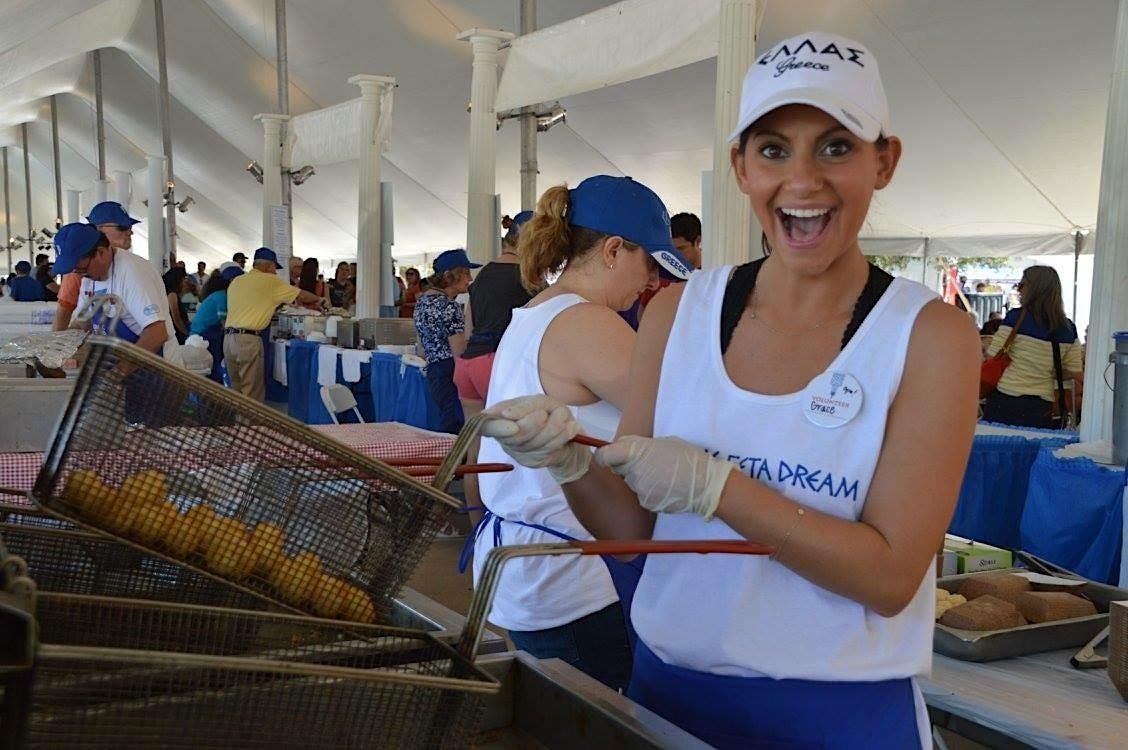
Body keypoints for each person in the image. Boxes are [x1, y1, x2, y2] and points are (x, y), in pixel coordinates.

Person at [479, 32, 980, 748]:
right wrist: (568, 462)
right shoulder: (677, 314)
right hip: (667, 697)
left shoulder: (929, 336)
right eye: (773, 149)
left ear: (884, 161)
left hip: (839, 715)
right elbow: (631, 532)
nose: (802, 182)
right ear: (741, 166)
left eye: (836, 147)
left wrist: (720, 490)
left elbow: (891, 575)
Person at [468, 176, 690, 691]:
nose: (651, 281)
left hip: (527, 567)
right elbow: (679, 412)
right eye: (649, 264)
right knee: (600, 714)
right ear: (614, 250)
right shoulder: (587, 322)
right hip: (574, 576)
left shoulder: (535, 313)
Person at [454, 210, 537, 524]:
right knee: (508, 452)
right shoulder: (529, 278)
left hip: (469, 364)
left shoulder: (482, 274)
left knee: (475, 453)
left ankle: (477, 529)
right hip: (498, 364)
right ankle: (507, 523)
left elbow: (468, 325)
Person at [982, 266, 1084, 428]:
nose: (1019, 290)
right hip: (1043, 405)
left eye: (1021, 285)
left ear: (1033, 289)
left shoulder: (1015, 318)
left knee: (999, 450)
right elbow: (1075, 372)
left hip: (1006, 398)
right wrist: (1046, 368)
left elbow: (992, 355)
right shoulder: (1068, 329)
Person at [224, 248, 324, 400]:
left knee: (237, 393)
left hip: (229, 341)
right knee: (252, 395)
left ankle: (238, 424)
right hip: (248, 342)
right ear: (267, 266)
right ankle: (251, 424)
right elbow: (302, 295)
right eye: (274, 268)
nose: (276, 273)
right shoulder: (270, 281)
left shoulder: (237, 281)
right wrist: (319, 299)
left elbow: (252, 304)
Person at [413, 250, 479, 433]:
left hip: (434, 370)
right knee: (456, 425)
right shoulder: (449, 307)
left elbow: (421, 348)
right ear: (452, 276)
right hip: (450, 369)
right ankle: (453, 460)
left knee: (446, 419)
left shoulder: (422, 302)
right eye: (466, 273)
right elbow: (459, 351)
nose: (470, 278)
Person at [191, 263, 243, 384]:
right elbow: (224, 322)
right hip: (204, 335)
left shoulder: (219, 294)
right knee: (214, 370)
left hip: (205, 333)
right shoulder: (222, 296)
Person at [163, 267, 191, 344]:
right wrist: (186, 332)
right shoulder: (172, 294)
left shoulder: (172, 293)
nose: (184, 282)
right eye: (183, 279)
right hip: (178, 333)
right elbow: (176, 318)